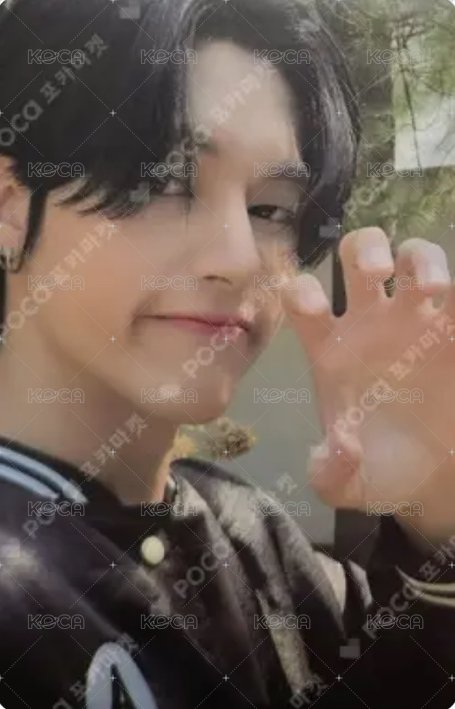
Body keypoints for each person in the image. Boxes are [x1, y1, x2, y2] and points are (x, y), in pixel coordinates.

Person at [0, 0, 454, 707]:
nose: (240, 259)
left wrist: (436, 514)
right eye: (163, 181)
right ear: (9, 204)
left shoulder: (253, 534)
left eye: (272, 210)